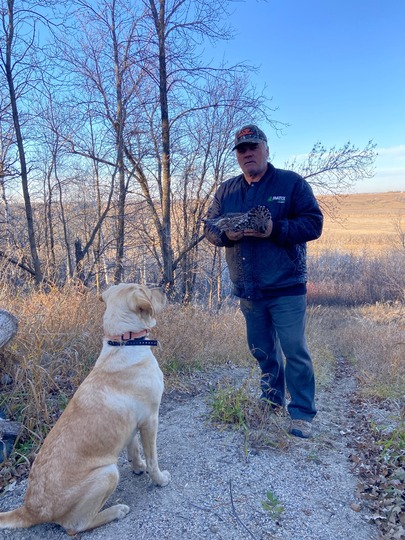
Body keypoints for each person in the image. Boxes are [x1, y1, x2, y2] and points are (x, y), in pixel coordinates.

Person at [204, 124, 323, 438]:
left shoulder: (291, 183)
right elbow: (209, 227)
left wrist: (276, 230)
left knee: (294, 349)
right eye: (241, 150)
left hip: (285, 286)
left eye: (253, 147)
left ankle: (301, 412)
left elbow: (313, 223)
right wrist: (225, 235)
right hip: (249, 288)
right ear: (237, 156)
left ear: (266, 149)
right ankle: (271, 400)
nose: (247, 154)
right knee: (262, 349)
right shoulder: (226, 191)